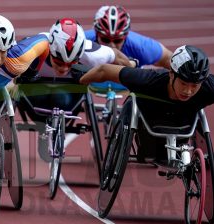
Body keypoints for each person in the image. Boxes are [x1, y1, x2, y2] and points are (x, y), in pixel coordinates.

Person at [14, 18, 133, 161]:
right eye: (58, 62)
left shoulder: (91, 54)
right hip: (34, 98)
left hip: (67, 99)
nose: (64, 69)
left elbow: (116, 55)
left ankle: (53, 129)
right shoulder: (33, 47)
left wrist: (132, 66)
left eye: (70, 64)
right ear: (50, 50)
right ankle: (45, 129)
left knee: (60, 97)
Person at [79, 45, 213, 160]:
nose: (188, 91)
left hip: (182, 138)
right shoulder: (148, 81)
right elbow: (104, 70)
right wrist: (79, 82)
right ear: (171, 73)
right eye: (183, 83)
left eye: (194, 85)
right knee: (132, 101)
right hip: (147, 138)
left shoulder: (208, 88)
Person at [85, 5, 173, 69]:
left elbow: (169, 59)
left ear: (126, 36)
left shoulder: (141, 47)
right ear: (96, 34)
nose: (112, 46)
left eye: (117, 41)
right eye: (105, 39)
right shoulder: (83, 41)